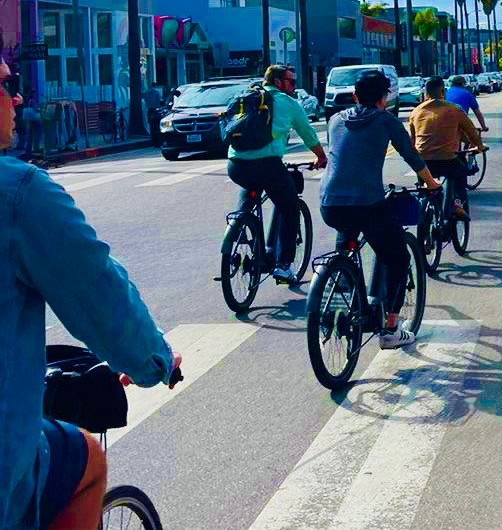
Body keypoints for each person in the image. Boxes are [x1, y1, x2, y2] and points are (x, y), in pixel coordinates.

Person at [0, 71, 183, 530]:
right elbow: (99, 295)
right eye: (7, 84)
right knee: (85, 460)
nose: (18, 95)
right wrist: (154, 360)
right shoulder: (20, 194)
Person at [321, 70, 441, 349]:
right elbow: (411, 155)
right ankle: (389, 329)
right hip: (366, 203)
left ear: (354, 96)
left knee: (347, 246)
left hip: (330, 203)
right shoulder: (386, 121)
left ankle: (340, 292)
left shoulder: (335, 119)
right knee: (398, 257)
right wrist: (432, 184)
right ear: (384, 98)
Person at [227, 64, 328, 286]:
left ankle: (240, 226)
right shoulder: (289, 103)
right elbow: (308, 133)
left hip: (235, 164)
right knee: (290, 209)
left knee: (250, 188)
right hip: (268, 165)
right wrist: (321, 157)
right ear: (279, 82)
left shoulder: (247, 96)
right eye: (291, 82)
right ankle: (283, 266)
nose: (294, 86)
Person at [408, 76, 485, 226]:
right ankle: (457, 205)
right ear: (443, 91)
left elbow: (412, 141)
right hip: (447, 159)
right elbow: (471, 132)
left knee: (425, 188)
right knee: (460, 173)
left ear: (426, 93)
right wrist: (479, 147)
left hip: (422, 162)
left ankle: (428, 213)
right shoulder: (455, 109)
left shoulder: (416, 112)